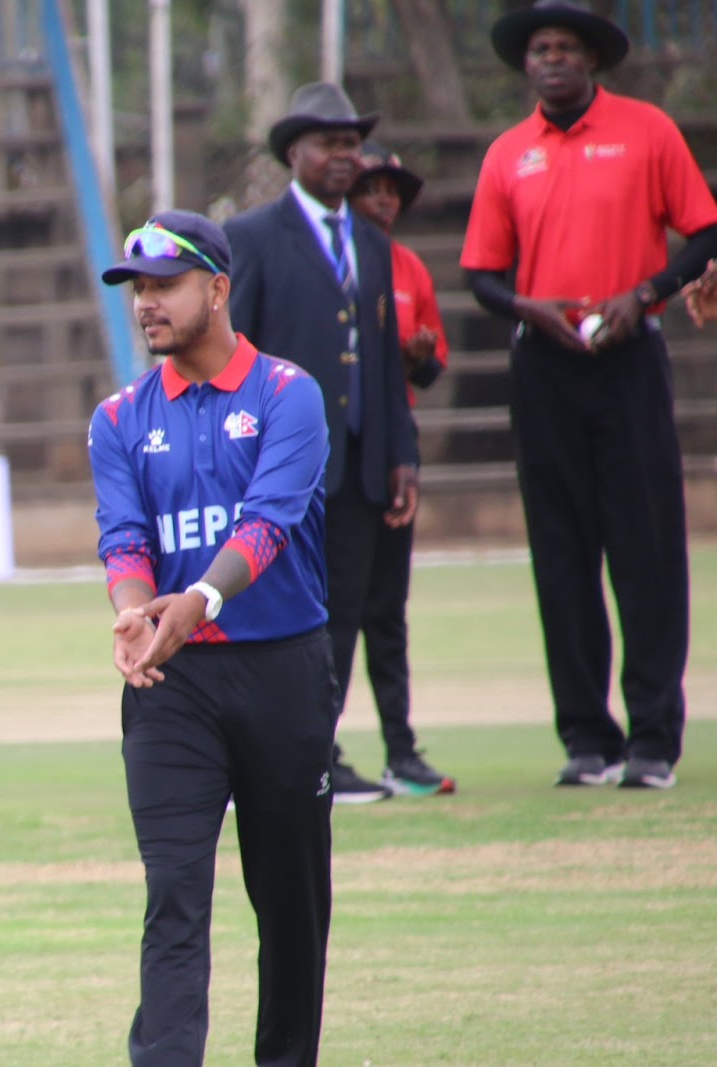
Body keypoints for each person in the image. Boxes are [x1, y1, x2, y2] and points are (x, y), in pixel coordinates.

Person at [91, 209, 334, 1066]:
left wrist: (196, 600)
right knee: (174, 895)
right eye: (138, 288)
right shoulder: (118, 416)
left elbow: (267, 524)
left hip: (282, 673)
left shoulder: (288, 393)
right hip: (172, 684)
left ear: (218, 288)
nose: (146, 303)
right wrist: (135, 613)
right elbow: (125, 539)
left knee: (291, 901)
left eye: (165, 285)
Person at [460, 0, 717, 790]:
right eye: (540, 48)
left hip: (628, 356)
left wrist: (644, 296)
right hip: (546, 364)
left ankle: (653, 739)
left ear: (593, 60)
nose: (552, 58)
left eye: (567, 47)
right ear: (526, 63)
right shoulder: (508, 154)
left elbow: (705, 232)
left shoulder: (647, 131)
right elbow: (481, 274)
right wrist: (529, 309)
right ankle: (586, 738)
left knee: (646, 548)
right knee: (561, 552)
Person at [223, 82, 453, 803]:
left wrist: (402, 454)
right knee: (267, 611)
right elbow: (233, 352)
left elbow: (383, 360)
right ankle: (263, 755)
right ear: (294, 152)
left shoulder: (375, 245)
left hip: (355, 469)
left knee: (341, 615)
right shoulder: (254, 236)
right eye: (329, 143)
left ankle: (318, 753)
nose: (345, 155)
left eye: (352, 142)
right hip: (272, 469)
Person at [342, 143, 456, 797]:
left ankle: (401, 751)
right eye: (371, 187)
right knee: (333, 609)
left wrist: (418, 355)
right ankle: (320, 750)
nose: (384, 199)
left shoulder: (407, 265)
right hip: (337, 451)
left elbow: (431, 366)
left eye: (393, 190)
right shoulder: (333, 260)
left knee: (387, 611)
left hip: (393, 444)